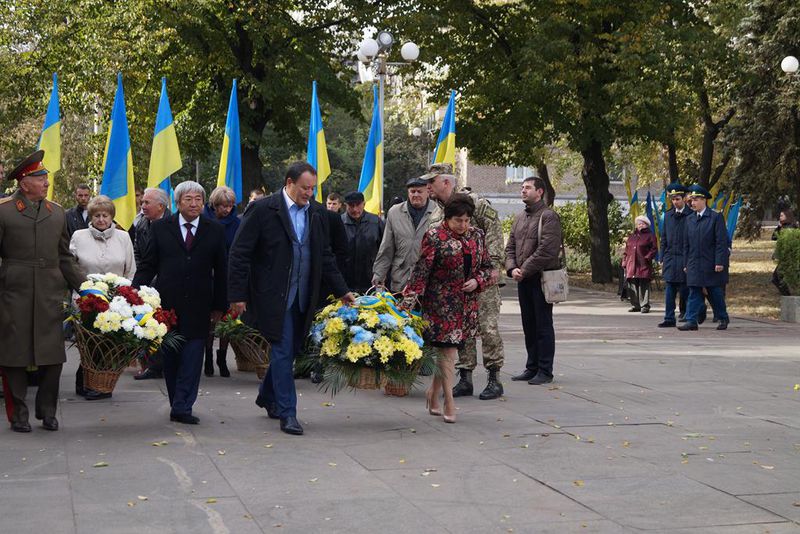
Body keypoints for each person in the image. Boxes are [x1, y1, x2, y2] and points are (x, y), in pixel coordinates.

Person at [228, 161, 353, 436]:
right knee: (283, 350)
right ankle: (288, 413)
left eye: (312, 188)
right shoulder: (262, 210)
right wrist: (237, 295)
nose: (309, 193)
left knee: (293, 350)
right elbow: (239, 254)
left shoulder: (318, 214)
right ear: (289, 183)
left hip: (305, 295)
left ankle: (265, 395)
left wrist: (343, 290)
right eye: (304, 188)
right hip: (274, 296)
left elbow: (326, 256)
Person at [0, 150, 86, 432]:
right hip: (14, 292)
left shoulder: (57, 212)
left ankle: (47, 411)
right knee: (13, 356)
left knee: (53, 356)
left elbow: (64, 257)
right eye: (41, 178)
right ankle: (19, 415)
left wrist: (87, 289)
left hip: (50, 294)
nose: (47, 182)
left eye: (46, 177)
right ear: (24, 183)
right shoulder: (5, 211)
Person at [133, 181, 228, 424]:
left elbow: (222, 269)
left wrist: (220, 305)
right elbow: (148, 265)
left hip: (200, 304)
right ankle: (178, 401)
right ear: (177, 203)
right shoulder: (161, 228)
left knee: (193, 356)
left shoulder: (214, 229)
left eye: (198, 199)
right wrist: (133, 293)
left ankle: (183, 405)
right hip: (168, 305)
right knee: (172, 356)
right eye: (188, 199)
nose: (194, 203)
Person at [403, 194, 494, 423]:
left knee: (447, 354)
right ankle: (449, 401)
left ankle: (433, 393)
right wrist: (407, 303)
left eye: (466, 220)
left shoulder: (477, 235)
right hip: (440, 304)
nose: (463, 225)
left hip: (466, 305)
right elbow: (422, 271)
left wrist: (478, 281)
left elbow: (488, 267)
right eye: (458, 220)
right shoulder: (435, 236)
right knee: (449, 353)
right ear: (448, 218)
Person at [425, 163, 506, 400]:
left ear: (447, 182)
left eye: (433, 181)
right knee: (463, 333)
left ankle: (494, 378)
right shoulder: (439, 212)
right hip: (456, 287)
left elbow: (493, 235)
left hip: (483, 283)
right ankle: (465, 378)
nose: (429, 186)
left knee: (488, 328)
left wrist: (490, 271)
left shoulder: (477, 204)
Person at [69, 194, 136, 400]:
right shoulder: (79, 236)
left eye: (105, 215)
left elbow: (130, 269)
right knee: (88, 342)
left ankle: (101, 383)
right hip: (86, 299)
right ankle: (85, 380)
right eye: (96, 215)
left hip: (116, 300)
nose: (101, 220)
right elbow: (71, 266)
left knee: (109, 342)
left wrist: (126, 294)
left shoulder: (123, 237)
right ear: (91, 217)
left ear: (111, 217)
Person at [506, 176, 563, 385]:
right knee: (528, 325)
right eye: (522, 187)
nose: (523, 191)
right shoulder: (520, 217)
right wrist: (512, 268)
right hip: (523, 279)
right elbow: (510, 246)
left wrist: (524, 269)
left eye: (527, 188)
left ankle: (545, 370)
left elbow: (547, 250)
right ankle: (532, 367)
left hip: (541, 279)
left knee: (543, 325)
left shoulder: (548, 217)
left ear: (539, 192)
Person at [130, 187, 170, 380]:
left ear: (161, 206)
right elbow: (138, 253)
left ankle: (168, 364)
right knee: (148, 324)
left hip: (169, 283)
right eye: (143, 202)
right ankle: (152, 365)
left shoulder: (172, 224)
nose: (142, 205)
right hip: (148, 283)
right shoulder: (141, 224)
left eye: (147, 202)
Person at [678, 184, 730, 331]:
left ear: (704, 200)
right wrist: (686, 262)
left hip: (710, 262)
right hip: (694, 262)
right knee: (694, 291)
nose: (693, 203)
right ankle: (691, 321)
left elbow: (721, 242)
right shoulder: (689, 219)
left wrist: (720, 262)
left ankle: (723, 317)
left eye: (696, 200)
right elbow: (686, 244)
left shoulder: (715, 217)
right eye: (691, 200)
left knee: (714, 293)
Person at [202, 185, 241, 378]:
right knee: (210, 320)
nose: (226, 210)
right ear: (214, 205)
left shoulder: (237, 223)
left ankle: (222, 357)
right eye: (223, 206)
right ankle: (208, 357)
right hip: (208, 276)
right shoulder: (203, 220)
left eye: (230, 205)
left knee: (227, 320)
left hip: (228, 275)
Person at [372, 176, 435, 292]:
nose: (415, 195)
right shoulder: (395, 212)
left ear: (428, 192)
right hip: (401, 279)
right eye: (412, 191)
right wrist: (379, 274)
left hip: (428, 282)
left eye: (419, 191)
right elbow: (387, 247)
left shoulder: (438, 211)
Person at [659, 183, 690, 327]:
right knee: (670, 289)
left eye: (677, 198)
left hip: (685, 257)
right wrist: (662, 257)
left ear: (684, 198)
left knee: (685, 289)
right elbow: (664, 237)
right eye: (673, 199)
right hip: (671, 257)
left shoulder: (691, 215)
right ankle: (669, 318)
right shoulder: (668, 215)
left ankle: (685, 312)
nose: (675, 202)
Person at [341, 190, 384, 293]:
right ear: (345, 205)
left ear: (364, 204)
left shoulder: (375, 222)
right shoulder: (339, 222)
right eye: (351, 205)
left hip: (370, 280)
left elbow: (385, 250)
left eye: (358, 205)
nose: (355, 209)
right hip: (345, 282)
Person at [622, 215, 658, 313]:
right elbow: (626, 250)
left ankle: (644, 305)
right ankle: (635, 305)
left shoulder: (650, 236)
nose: (640, 225)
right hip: (631, 264)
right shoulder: (632, 236)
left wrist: (647, 257)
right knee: (632, 284)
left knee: (643, 285)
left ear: (646, 225)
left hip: (643, 264)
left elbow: (654, 249)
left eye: (642, 223)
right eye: (638, 224)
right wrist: (624, 261)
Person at [771, 209, 799, 296]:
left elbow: (787, 244)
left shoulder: (790, 228)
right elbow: (774, 238)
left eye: (781, 216)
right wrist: (779, 227)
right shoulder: (783, 226)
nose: (780, 217)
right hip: (784, 257)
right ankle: (786, 295)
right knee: (777, 277)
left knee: (777, 277)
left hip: (788, 257)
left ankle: (787, 296)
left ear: (787, 216)